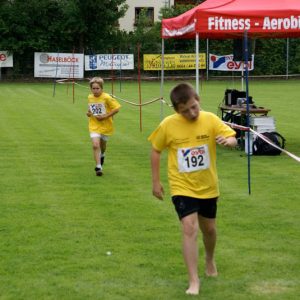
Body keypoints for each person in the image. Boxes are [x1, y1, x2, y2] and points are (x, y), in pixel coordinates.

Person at [148, 83, 237, 295]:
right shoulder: (168, 124)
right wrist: (155, 182)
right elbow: (155, 150)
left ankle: (209, 259)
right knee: (189, 228)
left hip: (208, 186)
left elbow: (233, 138)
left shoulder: (211, 119)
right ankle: (193, 281)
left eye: (194, 107)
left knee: (209, 230)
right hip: (181, 185)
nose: (191, 113)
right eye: (185, 111)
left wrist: (228, 141)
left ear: (198, 99)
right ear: (176, 110)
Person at [86, 77, 121, 176]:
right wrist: (88, 113)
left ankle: (102, 154)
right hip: (94, 125)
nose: (95, 91)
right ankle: (98, 167)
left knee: (103, 146)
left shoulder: (107, 97)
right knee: (95, 145)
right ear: (91, 89)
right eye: (93, 88)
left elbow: (117, 108)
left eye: (97, 88)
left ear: (102, 88)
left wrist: (105, 116)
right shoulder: (90, 97)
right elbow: (90, 109)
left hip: (106, 125)